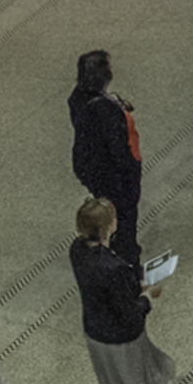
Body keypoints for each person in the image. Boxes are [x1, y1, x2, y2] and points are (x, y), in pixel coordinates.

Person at [72, 200, 193, 384]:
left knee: (148, 371)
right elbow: (130, 311)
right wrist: (146, 297)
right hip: (119, 338)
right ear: (110, 226)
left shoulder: (77, 250)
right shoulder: (112, 268)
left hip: (96, 331)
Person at [69, 49, 145, 254]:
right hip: (113, 173)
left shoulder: (76, 97)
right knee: (125, 212)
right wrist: (131, 170)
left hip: (90, 167)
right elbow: (118, 149)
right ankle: (127, 252)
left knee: (109, 205)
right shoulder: (105, 110)